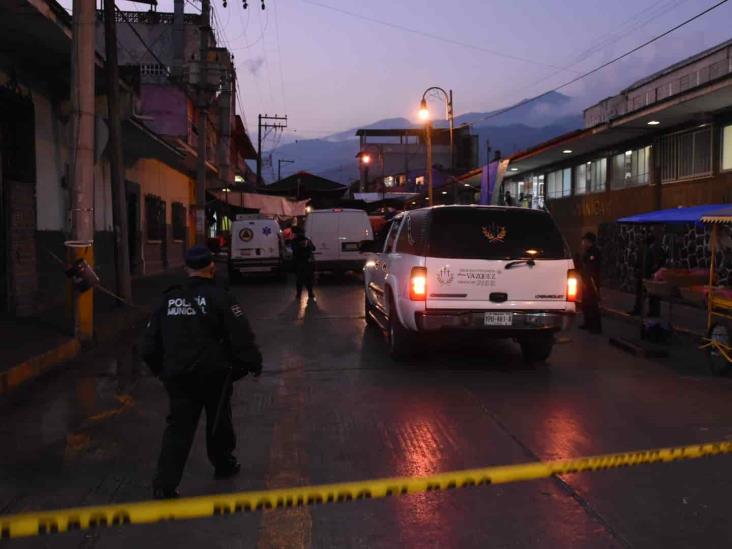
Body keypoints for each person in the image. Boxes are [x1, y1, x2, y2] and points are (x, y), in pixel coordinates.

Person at [142, 245, 263, 499]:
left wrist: (162, 371)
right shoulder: (221, 297)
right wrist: (252, 362)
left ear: (186, 268)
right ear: (211, 266)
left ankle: (165, 485)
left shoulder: (169, 299)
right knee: (218, 420)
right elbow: (241, 334)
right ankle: (223, 464)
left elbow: (149, 343)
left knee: (178, 428)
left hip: (178, 375)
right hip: (214, 374)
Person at [628, 231, 665, 317]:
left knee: (648, 294)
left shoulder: (648, 249)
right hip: (648, 274)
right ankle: (652, 312)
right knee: (651, 294)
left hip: (647, 274)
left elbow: (641, 262)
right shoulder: (652, 249)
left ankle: (645, 310)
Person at [580, 232, 602, 334]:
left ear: (589, 241)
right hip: (586, 281)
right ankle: (588, 323)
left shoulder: (594, 252)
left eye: (585, 241)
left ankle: (596, 327)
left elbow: (592, 268)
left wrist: (590, 280)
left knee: (593, 304)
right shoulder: (587, 252)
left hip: (592, 281)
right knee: (586, 303)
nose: (583, 243)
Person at [291, 226, 316, 301]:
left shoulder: (306, 240)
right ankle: (302, 293)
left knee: (305, 279)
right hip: (301, 262)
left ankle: (308, 293)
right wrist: (302, 246)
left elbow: (313, 248)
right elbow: (295, 250)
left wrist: (308, 246)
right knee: (302, 279)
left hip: (304, 262)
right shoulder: (296, 241)